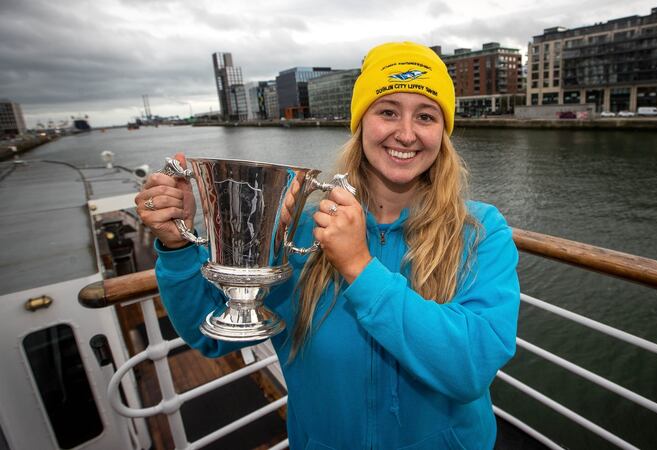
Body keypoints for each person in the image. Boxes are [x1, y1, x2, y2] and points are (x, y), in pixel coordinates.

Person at [136, 41, 520, 450]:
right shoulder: (299, 230)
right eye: (388, 111)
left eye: (425, 116)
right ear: (361, 124)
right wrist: (177, 247)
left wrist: (359, 267)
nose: (406, 134)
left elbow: (470, 368)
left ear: (442, 133)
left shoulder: (480, 231)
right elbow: (211, 335)